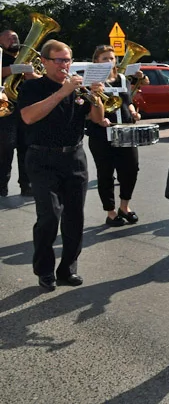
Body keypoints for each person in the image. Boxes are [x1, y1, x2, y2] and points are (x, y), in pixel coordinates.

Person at [18, 39, 105, 290]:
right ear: (44, 62)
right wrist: (62, 92)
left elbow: (98, 119)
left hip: (74, 157)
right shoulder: (34, 87)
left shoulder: (79, 88)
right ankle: (44, 269)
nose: (64, 65)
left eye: (67, 59)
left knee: (75, 217)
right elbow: (28, 116)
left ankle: (68, 268)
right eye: (58, 60)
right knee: (49, 216)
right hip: (42, 158)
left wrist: (97, 98)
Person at [86, 45, 142, 227]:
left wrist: (133, 113)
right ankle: (110, 212)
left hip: (125, 131)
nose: (110, 62)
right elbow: (84, 110)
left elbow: (129, 102)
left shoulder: (123, 79)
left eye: (112, 58)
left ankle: (124, 206)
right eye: (105, 59)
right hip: (101, 134)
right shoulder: (91, 82)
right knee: (106, 174)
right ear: (96, 62)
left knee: (131, 169)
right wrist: (98, 119)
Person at [0, 29, 33, 197]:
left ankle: (26, 185)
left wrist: (30, 73)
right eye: (8, 38)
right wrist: (13, 69)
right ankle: (1, 185)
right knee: (5, 148)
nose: (13, 39)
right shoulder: (1, 57)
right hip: (5, 109)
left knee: (26, 147)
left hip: (26, 107)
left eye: (15, 37)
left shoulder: (28, 57)